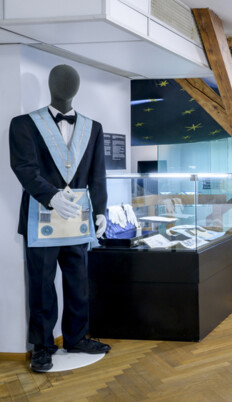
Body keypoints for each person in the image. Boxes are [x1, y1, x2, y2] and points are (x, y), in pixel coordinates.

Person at [9, 64, 110, 373]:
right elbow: (24, 168)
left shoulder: (93, 128)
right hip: (41, 214)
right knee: (41, 284)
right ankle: (42, 346)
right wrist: (50, 196)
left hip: (78, 216)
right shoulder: (24, 124)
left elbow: (98, 174)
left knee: (78, 282)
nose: (66, 87)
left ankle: (76, 337)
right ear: (50, 85)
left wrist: (101, 210)